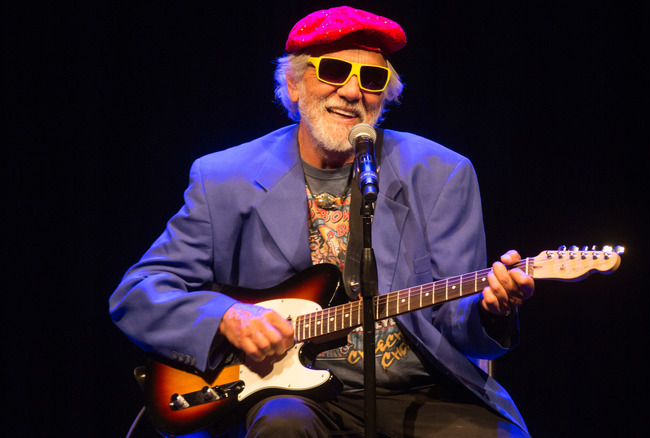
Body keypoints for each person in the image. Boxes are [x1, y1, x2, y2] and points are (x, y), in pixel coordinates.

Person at [110, 6, 535, 438]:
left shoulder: (442, 173)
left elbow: (459, 327)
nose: (352, 91)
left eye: (372, 80)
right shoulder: (225, 178)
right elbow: (139, 294)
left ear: (386, 95)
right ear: (293, 85)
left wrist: (490, 311)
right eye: (333, 70)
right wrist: (228, 318)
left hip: (423, 391)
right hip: (291, 397)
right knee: (282, 426)